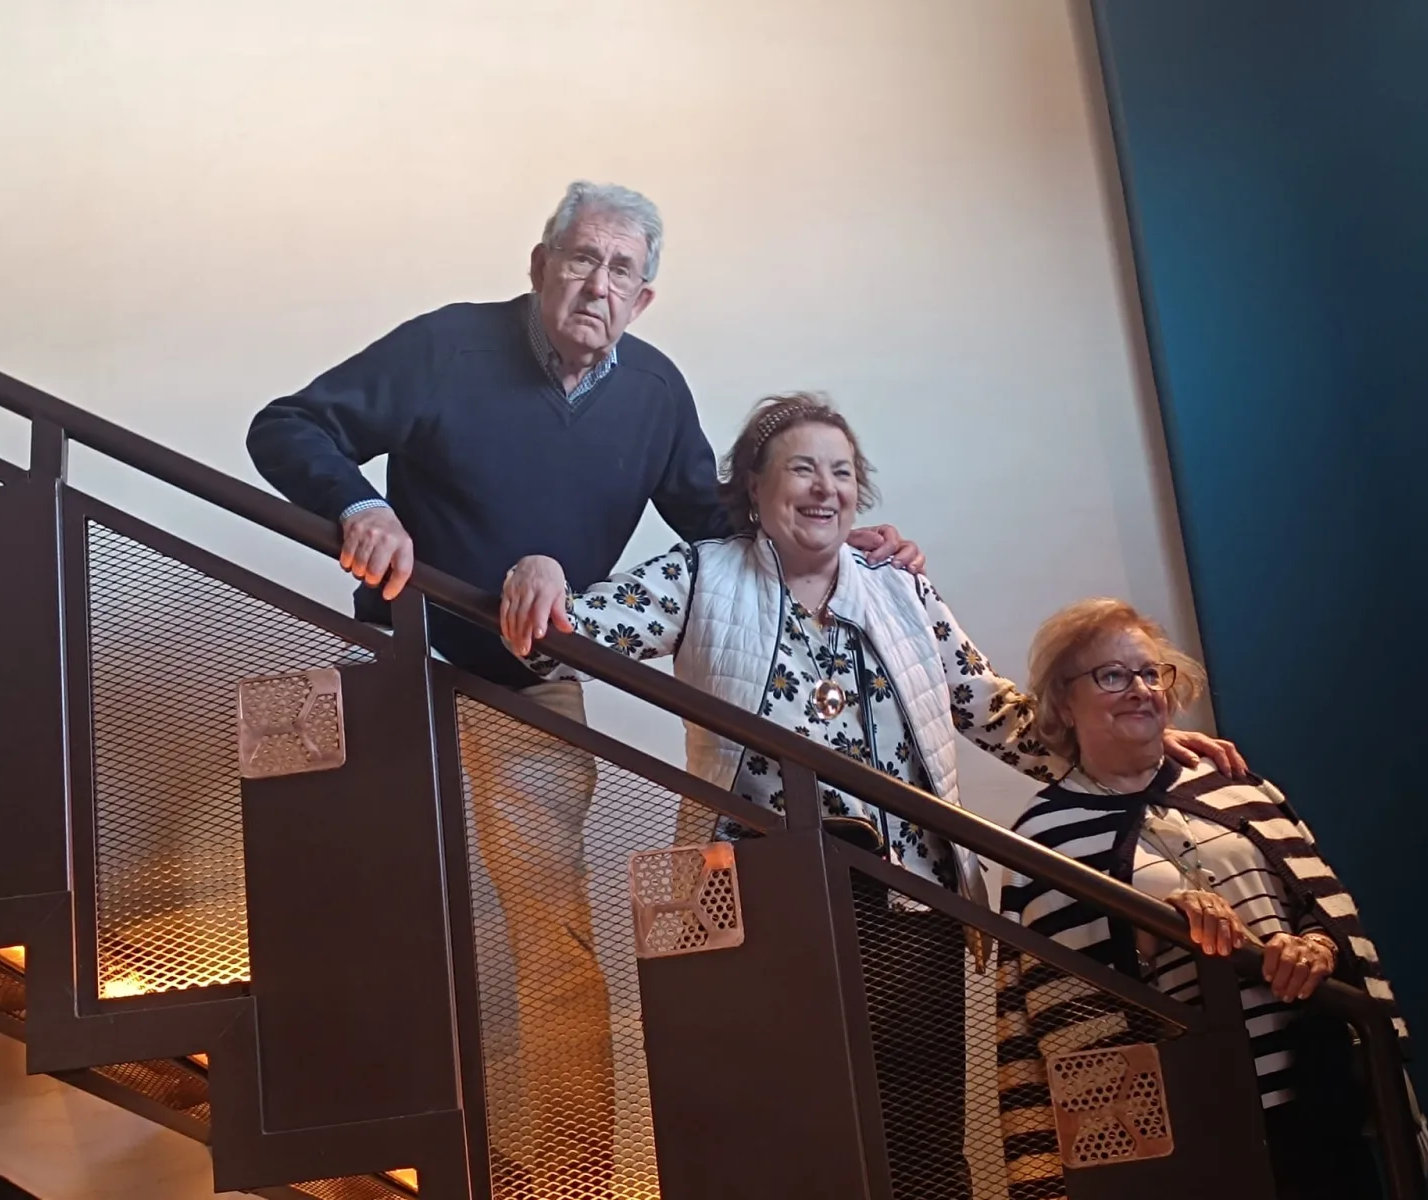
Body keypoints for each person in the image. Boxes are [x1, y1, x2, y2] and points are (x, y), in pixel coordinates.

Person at [245, 183, 924, 1199]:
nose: (596, 284)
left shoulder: (653, 392)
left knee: (550, 931)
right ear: (539, 262)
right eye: (580, 258)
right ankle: (341, 1136)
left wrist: (836, 542)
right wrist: (360, 503)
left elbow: (712, 526)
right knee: (367, 908)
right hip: (398, 668)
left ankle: (568, 1170)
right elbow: (287, 424)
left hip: (532, 682)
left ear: (643, 299)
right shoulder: (447, 347)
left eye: (620, 271)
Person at [503, 394, 1243, 1200]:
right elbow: (558, 637)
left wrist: (1127, 733)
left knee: (919, 1136)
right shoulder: (701, 575)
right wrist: (538, 568)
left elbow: (993, 710)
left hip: (909, 902)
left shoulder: (903, 593)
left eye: (842, 472)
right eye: (801, 468)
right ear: (753, 485)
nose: (825, 488)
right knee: (779, 1130)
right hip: (760, 906)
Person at [997, 598, 1428, 1200]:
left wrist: (1314, 948)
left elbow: (1320, 907)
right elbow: (1071, 1014)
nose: (1140, 689)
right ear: (1063, 703)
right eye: (1112, 675)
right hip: (1191, 1124)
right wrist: (1160, 924)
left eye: (1152, 673)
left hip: (1315, 1094)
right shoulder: (1043, 836)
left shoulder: (1234, 784)